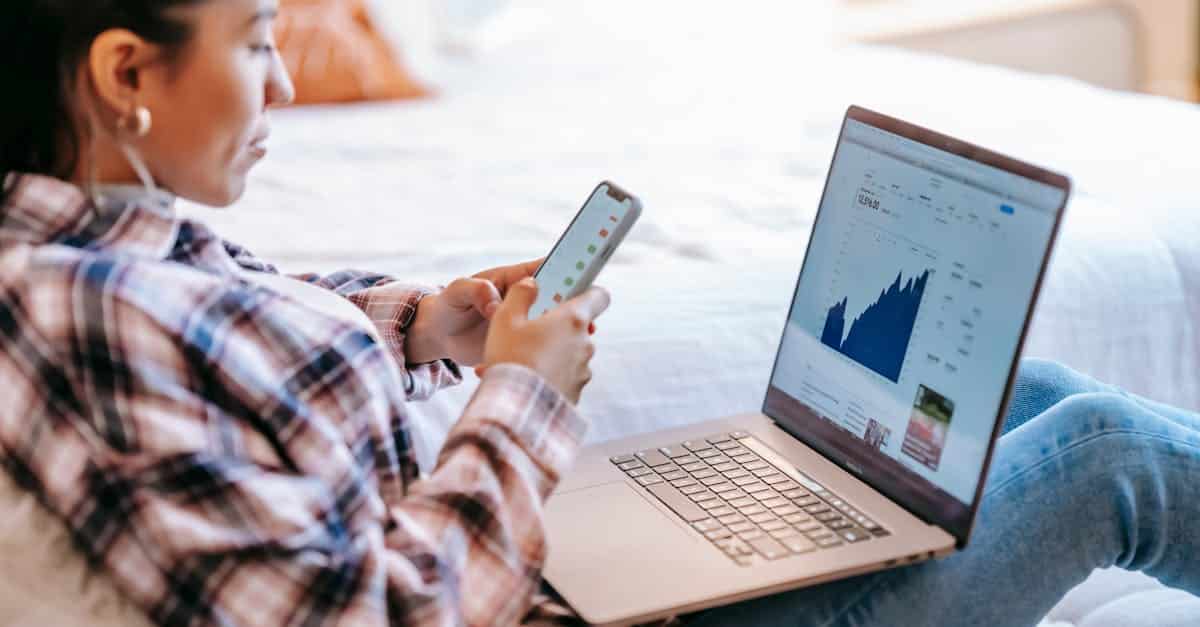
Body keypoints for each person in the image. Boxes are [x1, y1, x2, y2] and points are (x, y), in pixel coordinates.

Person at [0, 2, 1196, 626]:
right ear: (125, 74)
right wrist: (521, 400)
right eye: (258, 42)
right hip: (527, 599)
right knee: (1104, 458)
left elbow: (230, 330)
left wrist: (428, 323)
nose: (288, 81)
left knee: (1036, 402)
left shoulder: (87, 248)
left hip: (563, 579)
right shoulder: (84, 315)